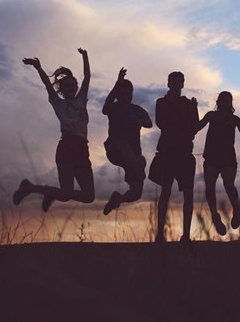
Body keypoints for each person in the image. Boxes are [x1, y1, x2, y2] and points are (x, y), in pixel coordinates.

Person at [13, 48, 95, 212]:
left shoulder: (81, 99)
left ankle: (49, 193)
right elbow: (47, 84)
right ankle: (30, 188)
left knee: (89, 197)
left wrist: (85, 55)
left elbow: (87, 76)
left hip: (82, 149)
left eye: (74, 85)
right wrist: (38, 68)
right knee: (65, 194)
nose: (72, 88)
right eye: (68, 86)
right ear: (62, 89)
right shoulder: (58, 103)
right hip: (66, 148)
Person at [153, 71, 199, 242]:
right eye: (172, 81)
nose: (175, 84)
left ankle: (186, 235)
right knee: (165, 192)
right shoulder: (162, 102)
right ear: (168, 84)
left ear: (182, 84)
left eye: (178, 81)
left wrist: (192, 111)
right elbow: (161, 122)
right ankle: (159, 233)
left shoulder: (188, 104)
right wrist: (184, 120)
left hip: (185, 152)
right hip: (168, 151)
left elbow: (194, 127)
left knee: (188, 194)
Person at [102, 67, 152, 215]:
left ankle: (117, 200)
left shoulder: (137, 109)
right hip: (115, 151)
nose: (127, 96)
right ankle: (138, 167)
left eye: (129, 93)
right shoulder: (113, 108)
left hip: (134, 154)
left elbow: (149, 123)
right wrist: (118, 83)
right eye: (123, 93)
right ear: (117, 94)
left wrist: (140, 121)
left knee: (136, 193)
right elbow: (105, 107)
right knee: (122, 143)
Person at [195, 91, 240, 235]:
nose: (224, 104)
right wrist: (193, 110)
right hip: (212, 157)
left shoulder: (235, 119)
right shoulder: (211, 115)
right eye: (222, 101)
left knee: (229, 185)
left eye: (227, 101)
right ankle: (215, 216)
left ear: (231, 103)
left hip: (228, 158)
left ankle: (236, 210)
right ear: (218, 102)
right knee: (210, 187)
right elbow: (197, 127)